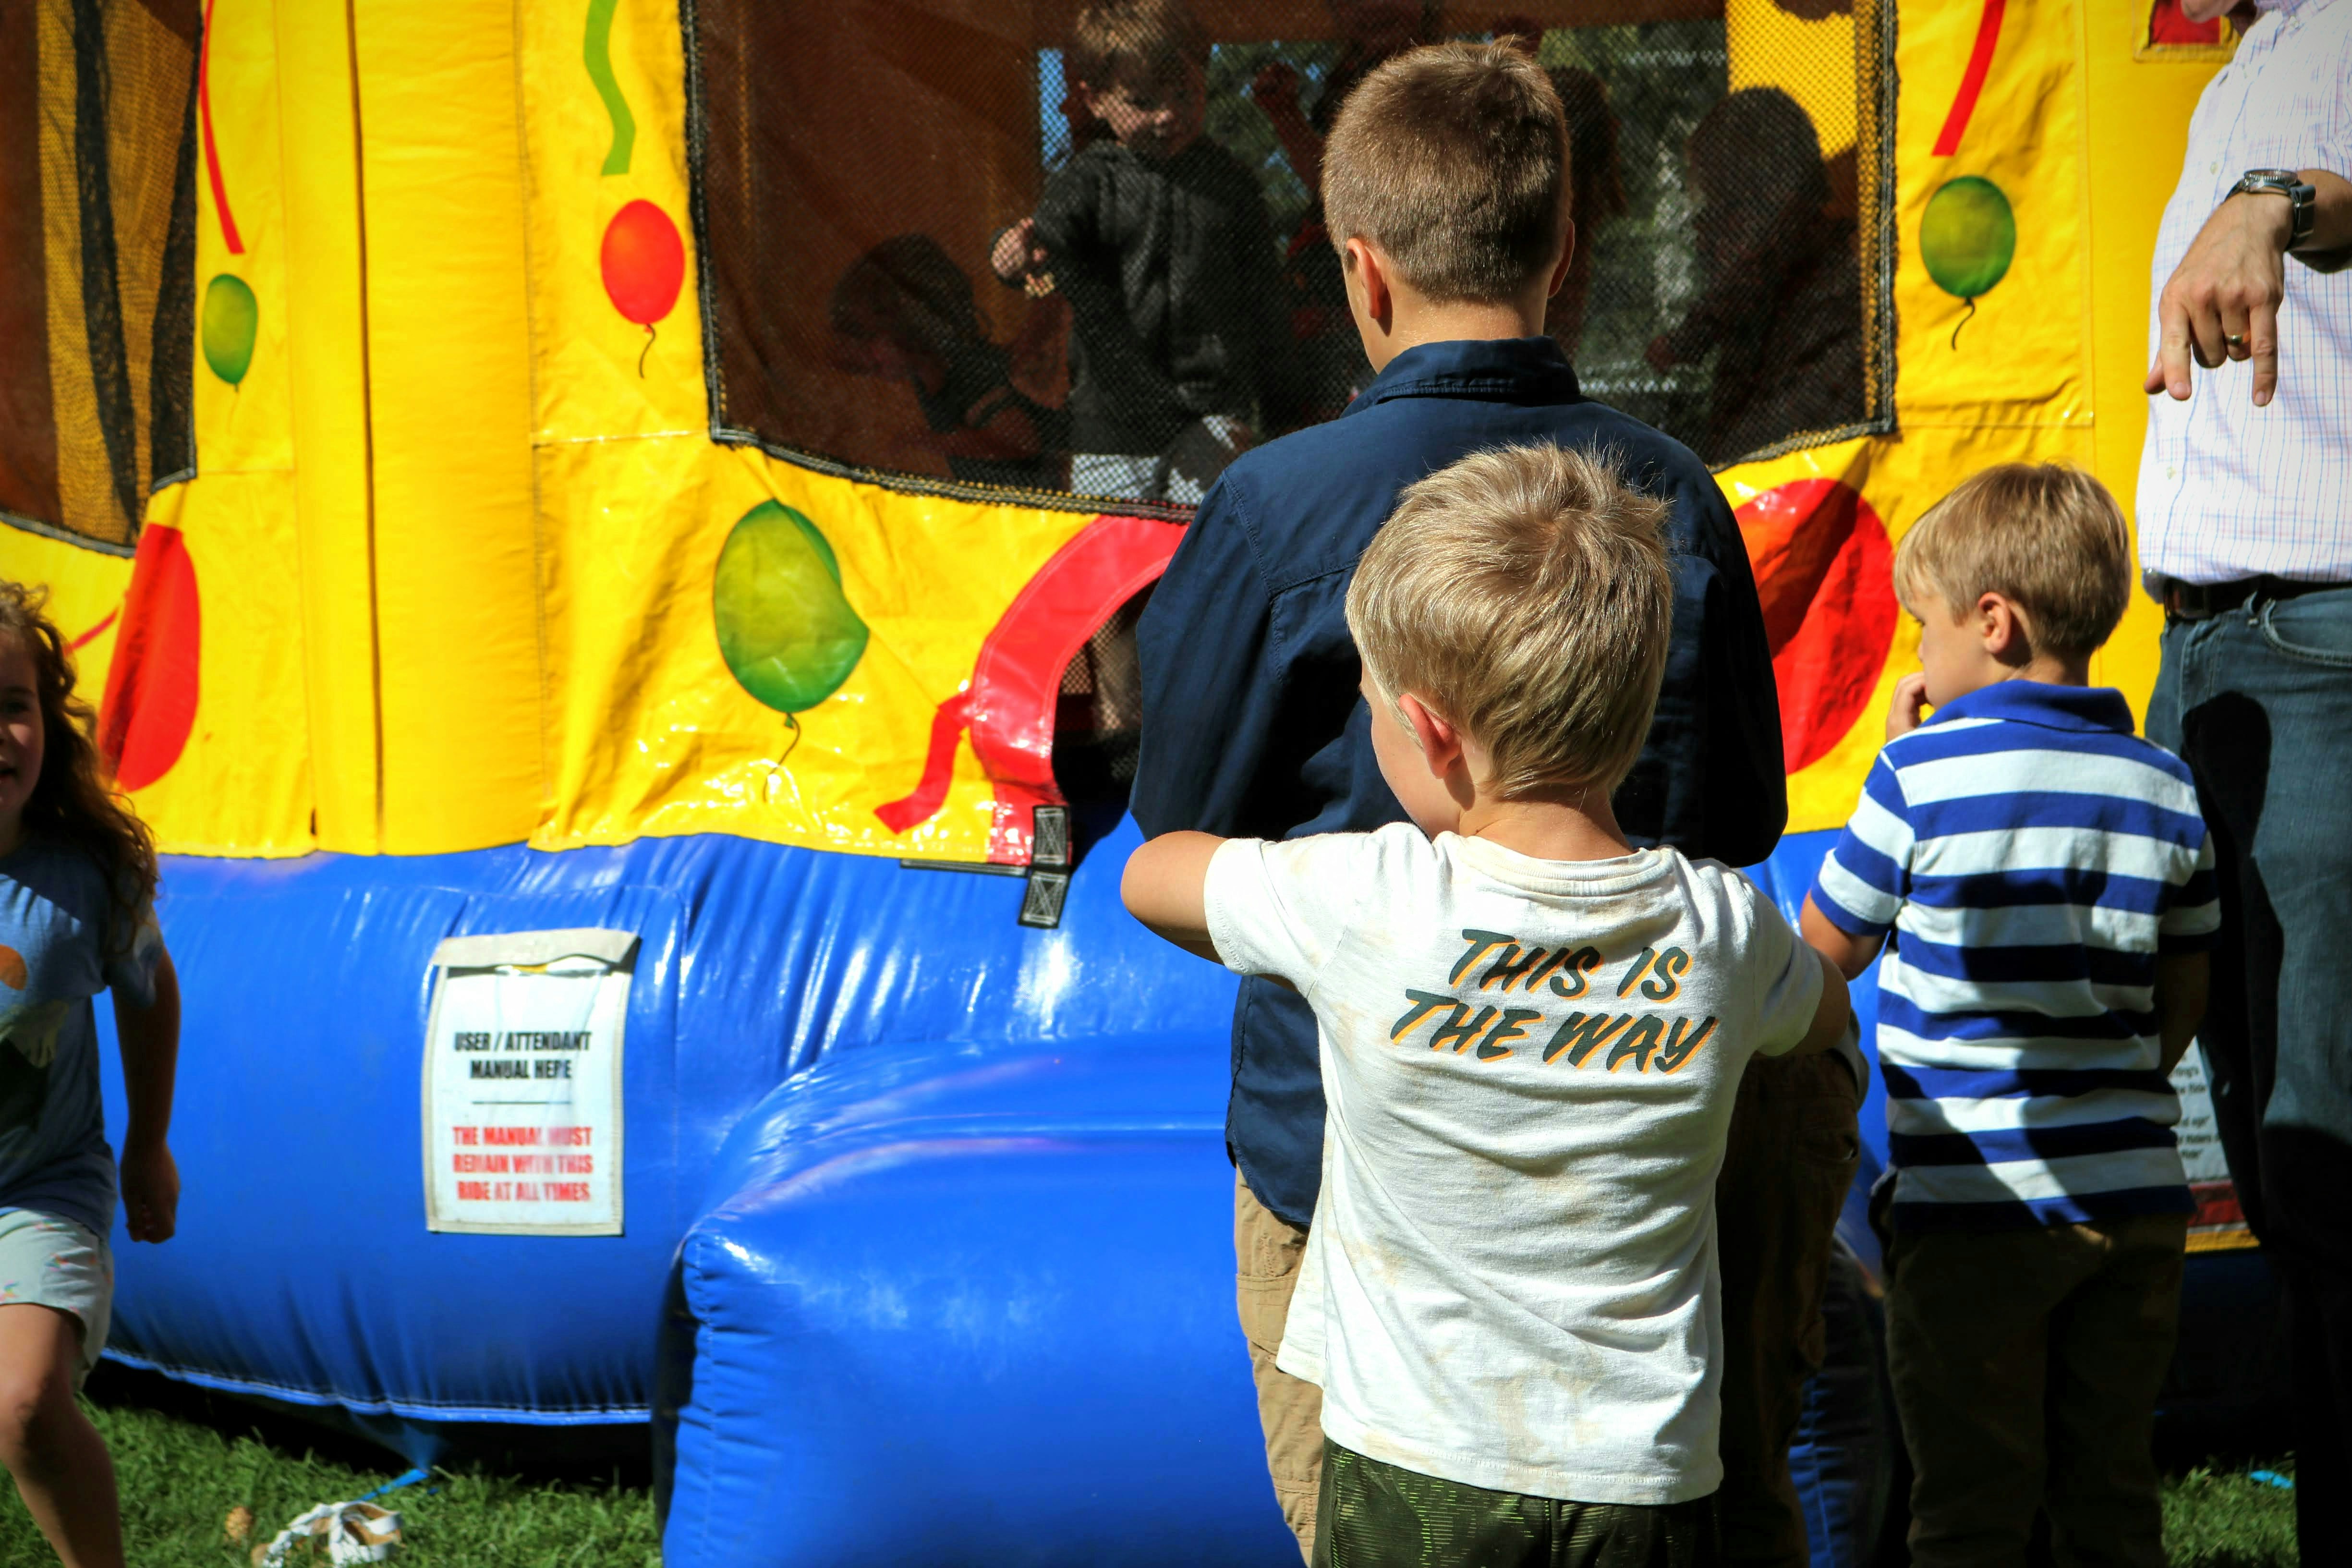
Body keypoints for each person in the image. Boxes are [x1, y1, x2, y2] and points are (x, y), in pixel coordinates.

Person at [1129, 42, 1849, 1565]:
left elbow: (1175, 826)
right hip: (1649, 1193)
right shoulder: (1664, 497)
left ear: (1360, 270)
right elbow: (1736, 826)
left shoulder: (1273, 507)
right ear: (1564, 253)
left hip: (1353, 1179)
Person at [1798, 465, 2216, 1568]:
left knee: (1970, 1504)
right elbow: (2183, 990)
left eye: (1921, 626)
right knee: (2109, 1493)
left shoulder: (1915, 774)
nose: (1915, 654)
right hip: (2132, 1204)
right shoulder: (2162, 783)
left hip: (1973, 1210)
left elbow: (1821, 948)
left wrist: (1892, 770)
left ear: (1991, 623)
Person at [2136, 0, 2352, 1553]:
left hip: (2317, 643)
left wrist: (2273, 202)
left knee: (2324, 1151)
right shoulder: (2252, 55)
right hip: (2213, 645)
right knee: (2278, 1148)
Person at [0, 582, 180, 1568]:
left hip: (42, 1187)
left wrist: (149, 1146)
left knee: (25, 1403)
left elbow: (149, 993)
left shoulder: (82, 880)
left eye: (13, 705)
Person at [989, 0, 1287, 504]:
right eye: (1143, 102)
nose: (1167, 114)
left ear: (1204, 75)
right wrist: (1010, 253)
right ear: (1095, 99)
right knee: (1116, 540)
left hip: (1209, 415)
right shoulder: (1089, 180)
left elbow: (1266, 300)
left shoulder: (1230, 186)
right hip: (1112, 423)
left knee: (1206, 535)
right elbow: (1045, 235)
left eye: (1183, 94)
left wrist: (1286, 410)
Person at [1645, 88, 1865, 467]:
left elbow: (1756, 457)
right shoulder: (1764, 304)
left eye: (1722, 206)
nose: (1702, 230)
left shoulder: (1833, 312)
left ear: (1775, 205)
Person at [830, 235, 1069, 493]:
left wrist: (931, 441)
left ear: (907, 327)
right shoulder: (929, 380)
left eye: (869, 339)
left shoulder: (965, 369)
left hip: (1042, 501)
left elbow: (1021, 439)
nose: (865, 357)